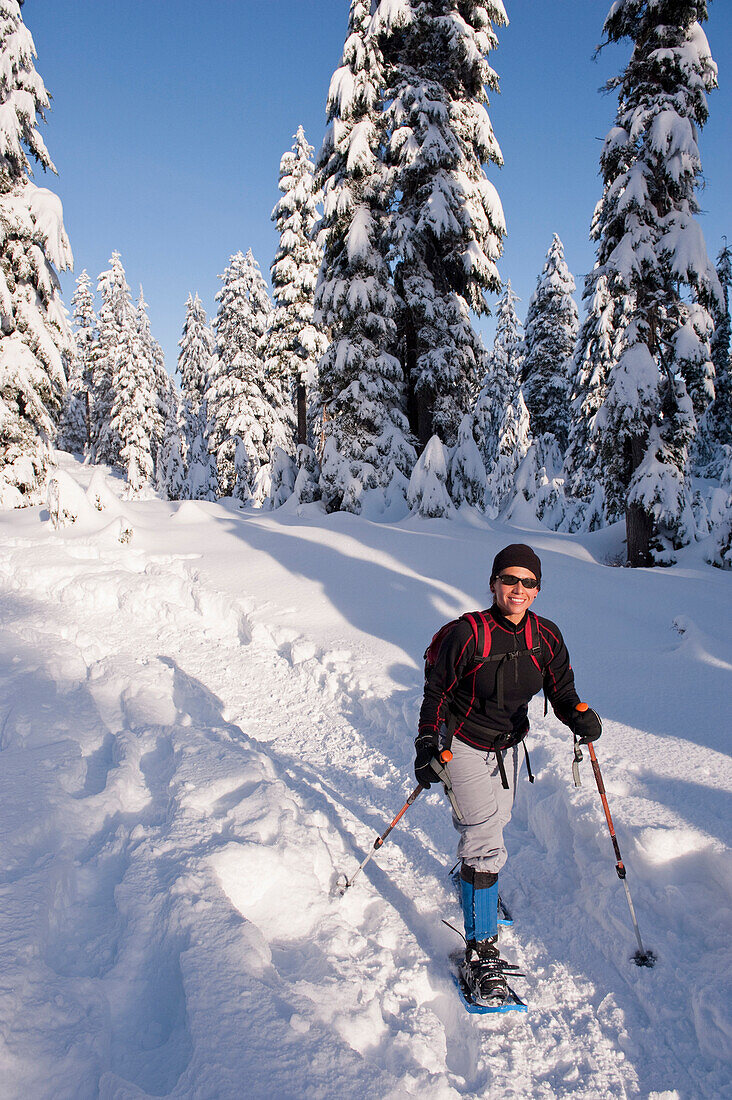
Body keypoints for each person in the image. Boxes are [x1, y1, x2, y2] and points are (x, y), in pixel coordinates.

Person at [414, 543, 601, 1007]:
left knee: (497, 823)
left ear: (538, 590)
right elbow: (436, 691)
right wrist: (426, 743)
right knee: (483, 838)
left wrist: (578, 714)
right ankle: (480, 953)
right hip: (462, 744)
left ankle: (472, 881)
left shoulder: (547, 637)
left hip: (508, 745)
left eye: (529, 583)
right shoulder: (467, 634)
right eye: (510, 580)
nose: (519, 590)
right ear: (494, 583)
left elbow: (562, 691)